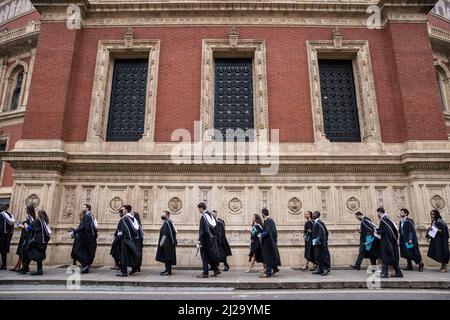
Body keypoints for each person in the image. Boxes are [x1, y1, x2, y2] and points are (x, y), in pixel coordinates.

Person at [19, 210, 51, 275]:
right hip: (42, 242)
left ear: (38, 215)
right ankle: (36, 269)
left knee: (28, 253)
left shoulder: (37, 221)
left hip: (35, 242)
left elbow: (29, 228)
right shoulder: (44, 222)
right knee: (36, 255)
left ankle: (27, 269)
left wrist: (24, 224)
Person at [69, 204, 98, 274]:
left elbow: (83, 227)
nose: (82, 208)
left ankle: (86, 265)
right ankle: (85, 266)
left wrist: (74, 232)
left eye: (84, 207)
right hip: (89, 237)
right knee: (85, 252)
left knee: (77, 252)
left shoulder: (86, 216)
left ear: (87, 208)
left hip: (85, 237)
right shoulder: (91, 215)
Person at [375, 207, 403, 278]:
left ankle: (385, 273)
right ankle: (398, 272)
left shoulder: (383, 220)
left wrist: (376, 231)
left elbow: (383, 231)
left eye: (378, 213)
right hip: (392, 241)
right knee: (392, 256)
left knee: (385, 256)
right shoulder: (389, 220)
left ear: (379, 212)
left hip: (386, 242)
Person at [196, 202, 220, 278]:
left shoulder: (204, 217)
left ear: (201, 208)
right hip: (212, 239)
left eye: (199, 209)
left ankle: (205, 273)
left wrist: (200, 240)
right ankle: (216, 270)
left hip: (206, 240)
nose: (199, 210)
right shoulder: (210, 215)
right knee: (209, 256)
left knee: (204, 256)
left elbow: (203, 230)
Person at [116, 205, 141, 277]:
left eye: (123, 209)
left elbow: (125, 230)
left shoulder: (125, 218)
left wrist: (122, 237)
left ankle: (124, 272)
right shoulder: (132, 218)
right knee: (128, 255)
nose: (121, 211)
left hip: (125, 240)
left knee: (124, 256)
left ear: (126, 210)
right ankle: (126, 270)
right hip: (131, 239)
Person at [12, 205, 35, 272]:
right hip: (25, 236)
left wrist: (21, 225)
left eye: (27, 209)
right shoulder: (32, 217)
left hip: (26, 237)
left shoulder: (30, 218)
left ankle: (24, 267)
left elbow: (29, 228)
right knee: (21, 251)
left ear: (29, 210)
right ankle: (20, 266)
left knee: (22, 251)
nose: (26, 210)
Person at [259, 208, 281, 278]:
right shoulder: (271, 220)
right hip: (271, 241)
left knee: (268, 257)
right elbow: (274, 232)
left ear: (263, 213)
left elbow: (268, 231)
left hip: (268, 242)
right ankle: (275, 268)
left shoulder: (267, 221)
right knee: (271, 256)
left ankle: (268, 273)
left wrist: (260, 235)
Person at [156, 210, 177, 276]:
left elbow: (165, 234)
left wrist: (161, 243)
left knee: (167, 257)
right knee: (166, 256)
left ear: (167, 215)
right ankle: (166, 270)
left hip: (167, 243)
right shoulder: (168, 222)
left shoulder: (167, 222)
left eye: (163, 214)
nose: (162, 216)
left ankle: (168, 271)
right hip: (168, 243)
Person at [311, 211, 331, 276]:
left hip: (321, 243)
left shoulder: (320, 223)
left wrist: (320, 240)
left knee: (323, 256)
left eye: (314, 214)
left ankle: (326, 269)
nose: (312, 215)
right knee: (318, 256)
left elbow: (323, 232)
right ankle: (319, 269)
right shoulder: (315, 222)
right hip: (316, 243)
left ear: (317, 215)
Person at [0, 204, 15, 270]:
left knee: (2, 250)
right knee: (4, 251)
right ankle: (4, 264)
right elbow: (12, 227)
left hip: (1, 235)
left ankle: (3, 265)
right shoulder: (10, 216)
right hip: (7, 236)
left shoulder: (1, 215)